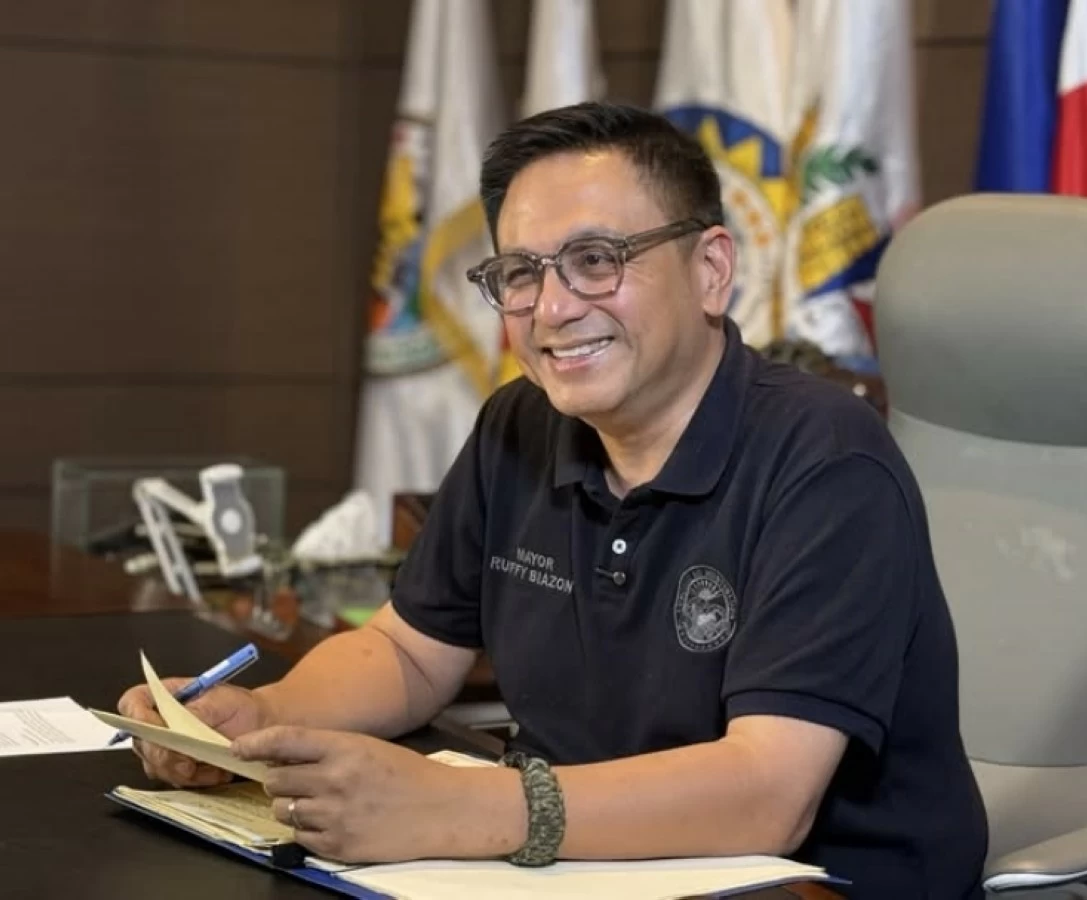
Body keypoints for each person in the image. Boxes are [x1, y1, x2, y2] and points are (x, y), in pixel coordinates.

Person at [119, 102, 988, 897]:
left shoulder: (827, 461)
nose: (553, 309)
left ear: (711, 269)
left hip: (809, 882)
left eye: (596, 261)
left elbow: (769, 794)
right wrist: (261, 721)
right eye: (521, 273)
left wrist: (464, 808)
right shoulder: (518, 426)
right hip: (580, 863)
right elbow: (412, 654)